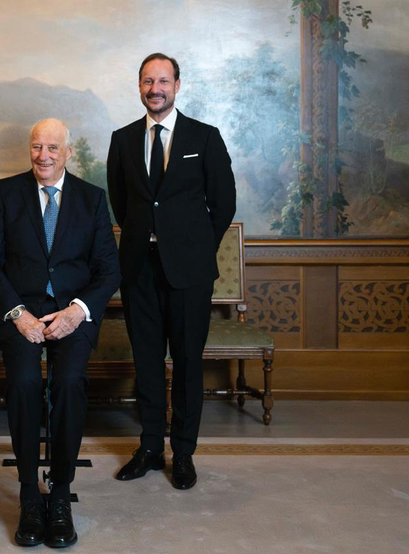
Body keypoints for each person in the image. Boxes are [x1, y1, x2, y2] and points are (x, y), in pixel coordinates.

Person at [0, 119, 120, 548]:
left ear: (68, 151)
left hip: (71, 313)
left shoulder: (93, 200)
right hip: (20, 313)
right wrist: (17, 313)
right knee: (23, 383)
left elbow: (109, 270)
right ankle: (27, 492)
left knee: (70, 383)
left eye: (52, 148)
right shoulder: (5, 194)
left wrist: (78, 312)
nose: (43, 155)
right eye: (37, 146)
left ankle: (59, 493)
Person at [107, 53, 236, 490]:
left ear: (177, 85)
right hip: (139, 269)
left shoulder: (206, 136)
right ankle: (148, 448)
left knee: (185, 364)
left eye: (163, 81)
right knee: (145, 364)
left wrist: (194, 247)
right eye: (147, 81)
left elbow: (224, 203)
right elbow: (121, 203)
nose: (154, 89)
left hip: (190, 273)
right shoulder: (122, 139)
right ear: (139, 86)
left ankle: (182, 453)